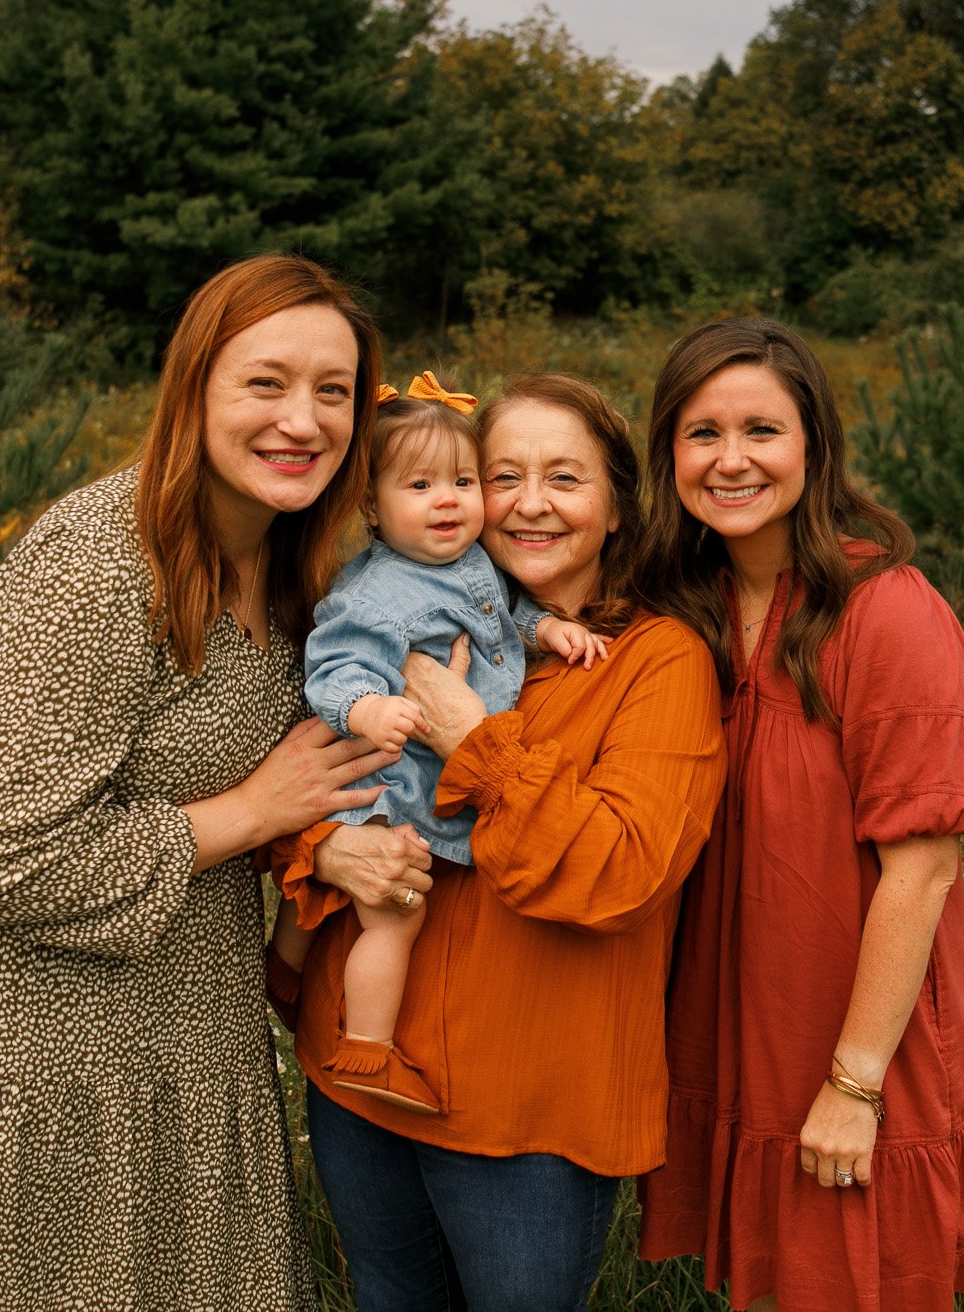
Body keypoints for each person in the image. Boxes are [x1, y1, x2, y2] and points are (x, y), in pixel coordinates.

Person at [0, 255, 397, 1311]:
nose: (303, 420)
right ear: (193, 391)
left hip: (185, 1026)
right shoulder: (94, 567)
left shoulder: (293, 564)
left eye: (335, 392)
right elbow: (4, 859)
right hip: (27, 1041)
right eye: (265, 383)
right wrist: (253, 811)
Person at [266, 373, 726, 1312]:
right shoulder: (395, 610)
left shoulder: (658, 660)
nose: (527, 503)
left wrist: (472, 737)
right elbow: (309, 771)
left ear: (615, 506)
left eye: (565, 477)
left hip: (528, 1113)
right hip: (363, 1082)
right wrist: (325, 850)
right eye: (501, 473)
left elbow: (618, 873)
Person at [634, 319, 964, 1312]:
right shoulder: (685, 608)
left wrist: (852, 1086)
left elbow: (921, 870)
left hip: (850, 1041)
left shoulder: (882, 610)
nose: (729, 460)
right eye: (699, 433)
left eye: (760, 429)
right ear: (666, 452)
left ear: (813, 446)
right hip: (732, 1025)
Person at [275, 376, 607, 1115]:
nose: (449, 500)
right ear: (371, 506)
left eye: (462, 480)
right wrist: (368, 707)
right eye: (420, 485)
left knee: (344, 890)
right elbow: (334, 668)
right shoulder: (376, 595)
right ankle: (368, 1047)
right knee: (397, 913)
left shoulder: (464, 561)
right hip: (394, 786)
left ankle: (285, 965)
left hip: (417, 775)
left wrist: (547, 630)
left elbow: (497, 616)